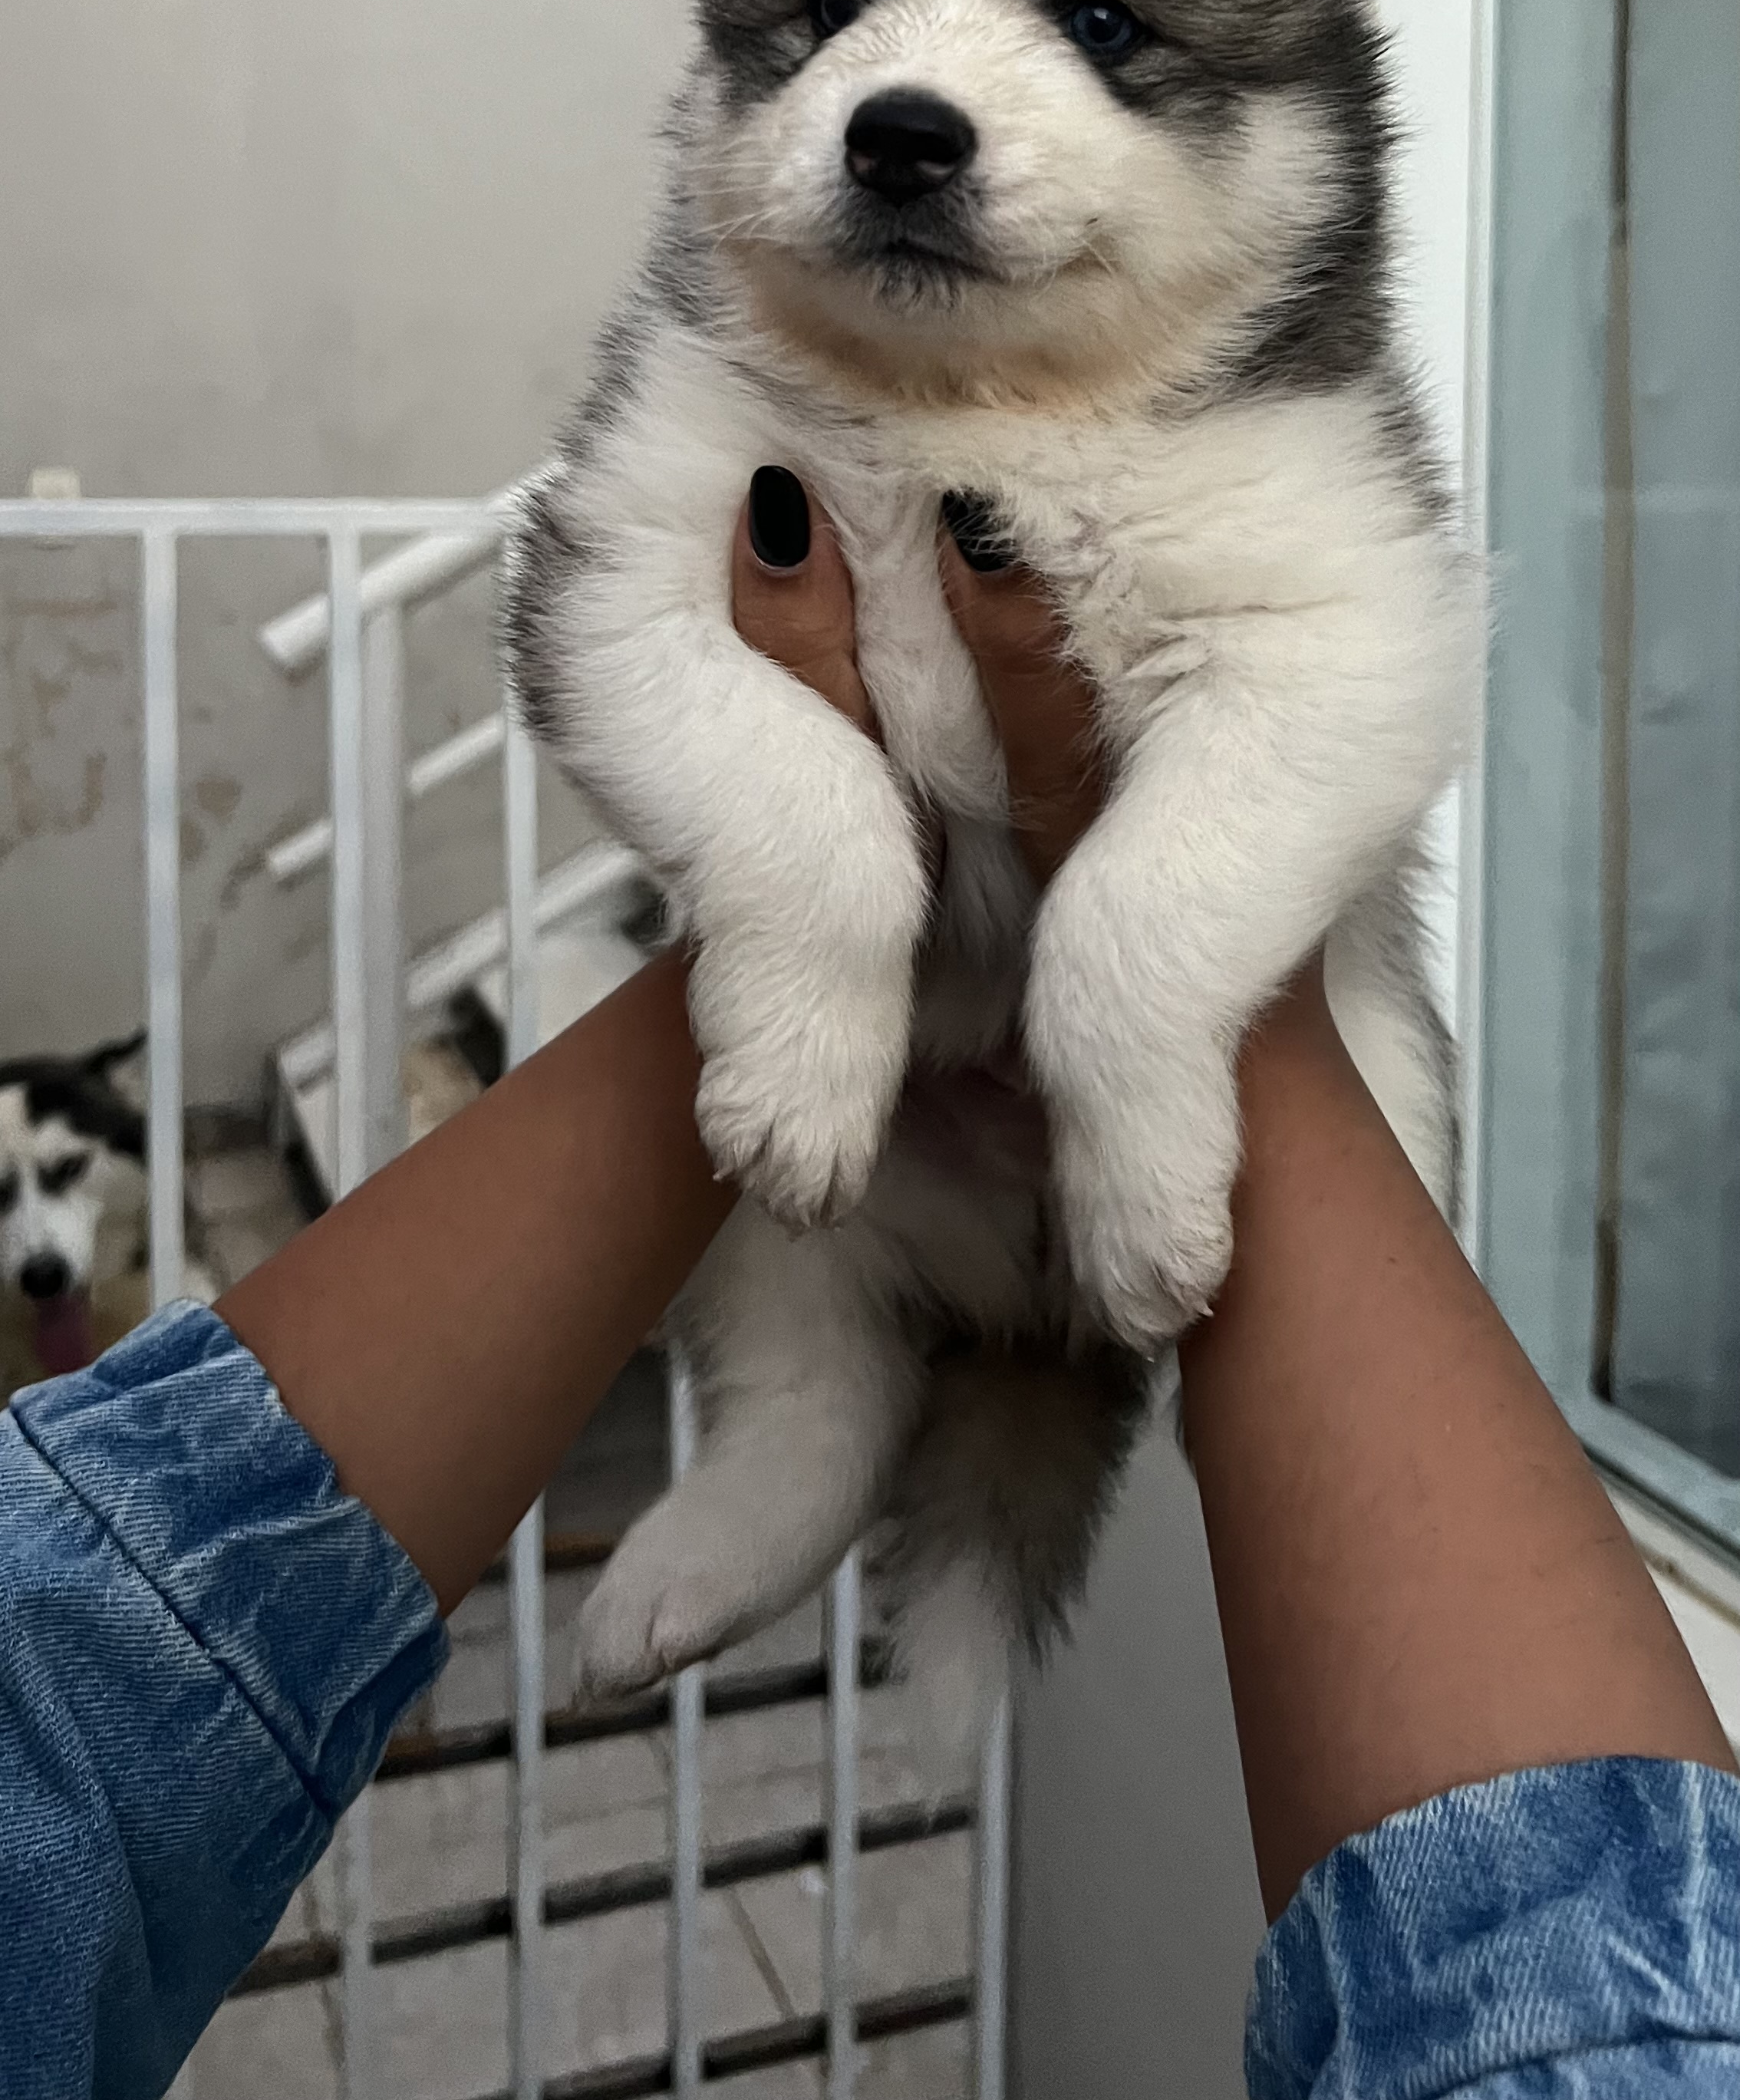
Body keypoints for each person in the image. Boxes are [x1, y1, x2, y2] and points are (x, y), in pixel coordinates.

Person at [3, 486, 1736, 2100]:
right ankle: (814, 1417)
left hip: (1219, 1028)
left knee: (1342, 1071)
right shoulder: (741, 353)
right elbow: (593, 615)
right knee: (786, 1133)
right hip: (904, 1122)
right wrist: (815, 885)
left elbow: (1382, 651)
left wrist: (1148, 953)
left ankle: (1182, 1368)